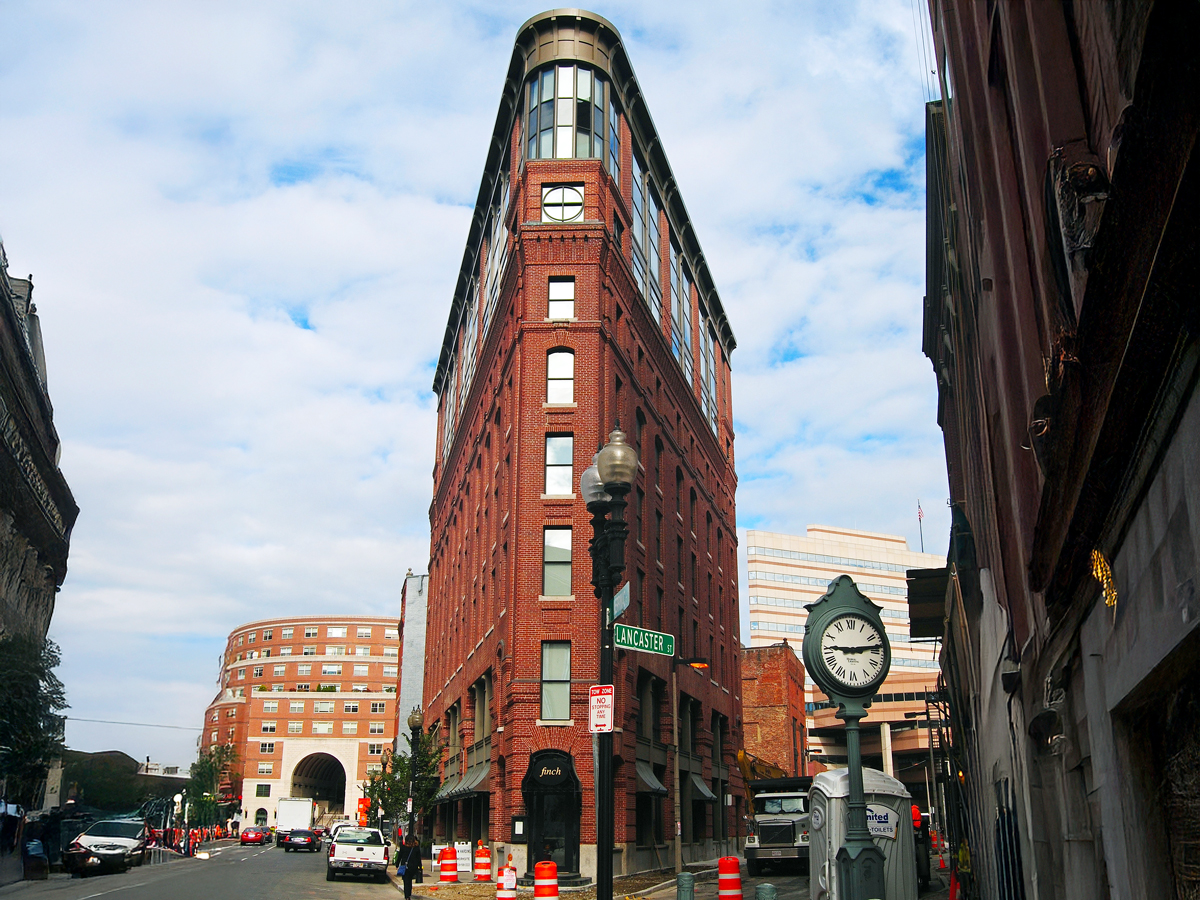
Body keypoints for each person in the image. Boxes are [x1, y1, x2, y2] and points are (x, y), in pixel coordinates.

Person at [398, 835, 422, 900]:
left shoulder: (403, 847)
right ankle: (409, 893)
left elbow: (400, 856)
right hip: (413, 867)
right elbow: (419, 858)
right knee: (410, 880)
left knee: (406, 881)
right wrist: (420, 866)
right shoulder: (416, 848)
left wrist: (397, 864)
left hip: (405, 867)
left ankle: (407, 896)